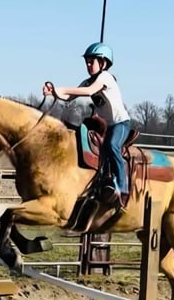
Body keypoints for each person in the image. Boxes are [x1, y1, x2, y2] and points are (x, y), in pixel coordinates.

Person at [42, 42, 131, 206]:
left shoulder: (105, 77)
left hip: (121, 124)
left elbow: (89, 92)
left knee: (112, 146)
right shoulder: (88, 81)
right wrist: (54, 92)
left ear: (103, 63)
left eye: (92, 61)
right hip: (108, 126)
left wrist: (62, 88)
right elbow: (69, 98)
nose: (88, 65)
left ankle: (123, 188)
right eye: (87, 62)